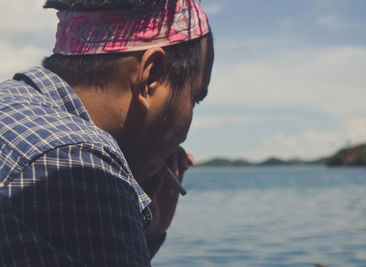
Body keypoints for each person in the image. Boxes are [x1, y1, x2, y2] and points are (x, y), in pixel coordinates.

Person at [0, 0, 214, 266]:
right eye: (195, 98)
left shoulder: (16, 109)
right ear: (152, 75)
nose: (184, 136)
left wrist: (144, 230)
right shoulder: (74, 164)